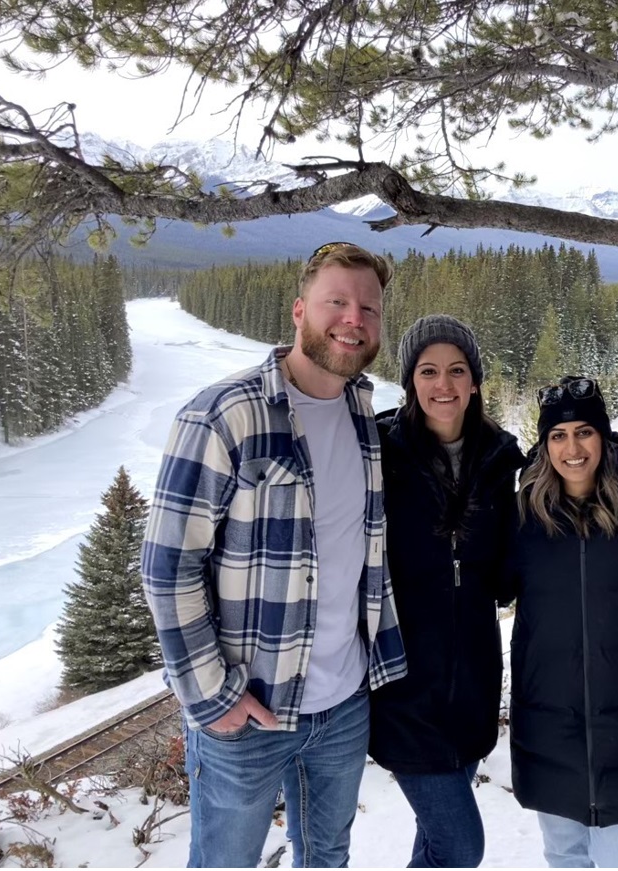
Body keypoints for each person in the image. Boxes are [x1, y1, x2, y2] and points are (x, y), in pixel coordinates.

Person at [141, 241, 407, 869]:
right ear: (298, 310)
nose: (354, 319)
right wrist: (213, 696)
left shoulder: (361, 410)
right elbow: (167, 568)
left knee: (327, 856)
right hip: (250, 709)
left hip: (343, 706)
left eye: (369, 308)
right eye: (336, 302)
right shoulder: (222, 415)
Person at [368, 314, 525, 867]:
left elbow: (503, 578)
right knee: (460, 846)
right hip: (404, 692)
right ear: (410, 381)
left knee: (435, 841)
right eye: (428, 371)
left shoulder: (499, 460)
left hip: (473, 688)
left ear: (475, 381)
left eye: (457, 370)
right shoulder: (380, 455)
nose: (444, 384)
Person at [508, 375, 618, 869]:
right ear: (544, 446)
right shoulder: (522, 519)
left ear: (604, 436)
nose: (572, 448)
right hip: (548, 723)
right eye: (558, 435)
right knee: (564, 857)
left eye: (584, 432)